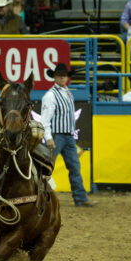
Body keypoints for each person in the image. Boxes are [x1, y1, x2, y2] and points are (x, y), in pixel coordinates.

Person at [41, 63, 97, 207]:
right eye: (59, 75)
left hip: (68, 136)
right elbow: (45, 119)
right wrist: (48, 137)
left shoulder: (67, 93)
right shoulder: (50, 95)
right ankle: (39, 197)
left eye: (64, 75)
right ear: (54, 77)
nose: (62, 77)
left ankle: (81, 198)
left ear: (67, 77)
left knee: (74, 167)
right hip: (56, 136)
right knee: (46, 168)